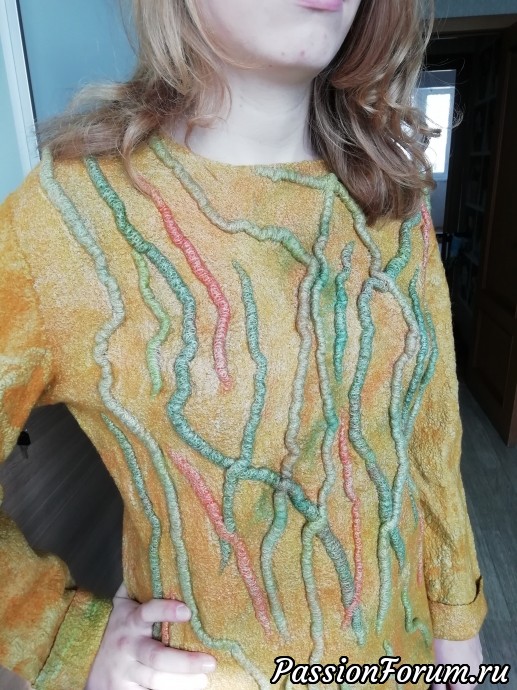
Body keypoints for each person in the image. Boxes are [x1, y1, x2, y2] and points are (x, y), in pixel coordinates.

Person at [0, 0, 489, 689]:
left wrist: (459, 631)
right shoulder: (66, 225)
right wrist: (62, 637)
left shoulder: (391, 196)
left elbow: (429, 441)